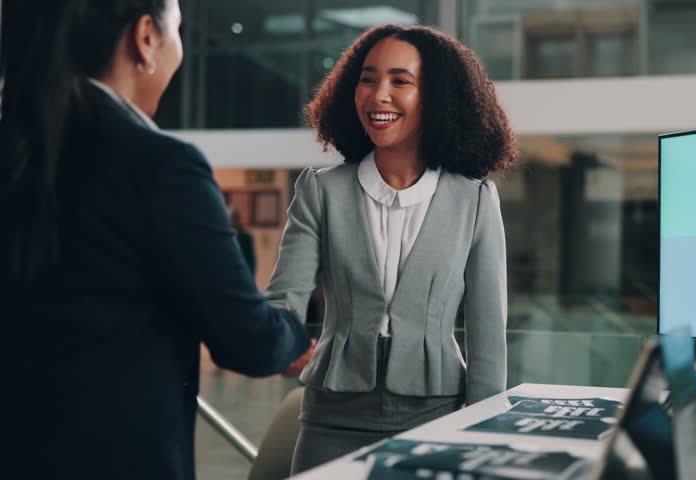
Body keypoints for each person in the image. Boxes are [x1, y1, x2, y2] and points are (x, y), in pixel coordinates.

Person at [1, 1, 311, 478]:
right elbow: (247, 341)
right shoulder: (158, 166)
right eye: (178, 30)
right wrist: (292, 330)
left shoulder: (21, 149)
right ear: (145, 37)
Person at [265, 24, 520, 473]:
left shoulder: (475, 199)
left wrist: (483, 431)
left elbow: (487, 334)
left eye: (400, 81)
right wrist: (273, 343)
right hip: (331, 415)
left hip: (437, 414)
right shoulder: (320, 190)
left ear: (435, 97)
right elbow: (286, 296)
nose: (378, 95)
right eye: (368, 78)